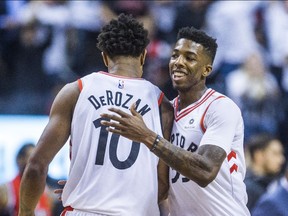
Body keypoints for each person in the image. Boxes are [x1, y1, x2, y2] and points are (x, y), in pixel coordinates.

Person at [19, 13, 173, 216]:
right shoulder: (162, 104)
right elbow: (162, 187)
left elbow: (36, 166)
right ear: (144, 56)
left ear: (105, 56)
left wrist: (26, 212)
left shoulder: (76, 90)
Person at [100, 26, 250, 215]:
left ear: (206, 70)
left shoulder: (220, 108)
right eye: (175, 55)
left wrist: (148, 136)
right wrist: (97, 192)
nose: (178, 62)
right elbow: (152, 182)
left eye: (189, 58)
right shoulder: (166, 111)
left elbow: (205, 171)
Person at [0, 143, 52, 216]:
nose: (37, 162)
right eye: (32, 158)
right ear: (19, 160)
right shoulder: (6, 190)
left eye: (39, 158)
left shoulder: (47, 190)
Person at [244, 133, 285, 211]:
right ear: (259, 155)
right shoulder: (247, 188)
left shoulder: (278, 183)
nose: (282, 160)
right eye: (275, 154)